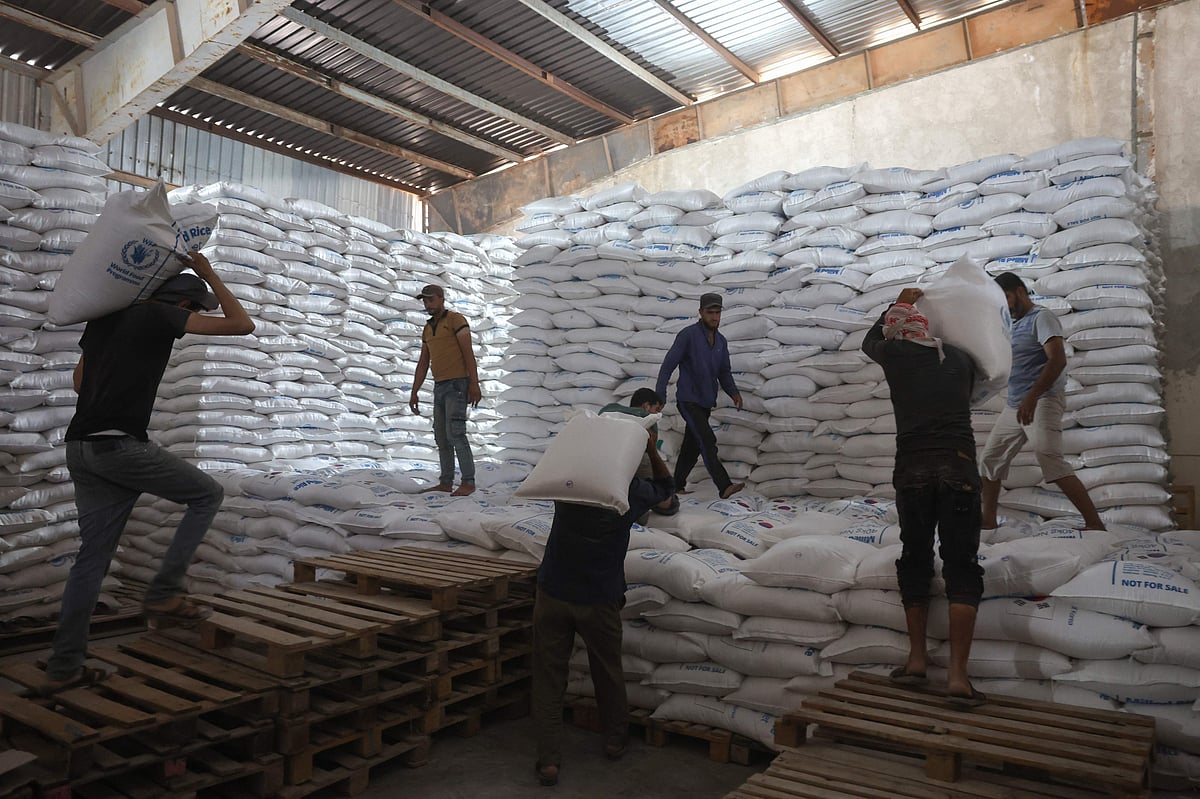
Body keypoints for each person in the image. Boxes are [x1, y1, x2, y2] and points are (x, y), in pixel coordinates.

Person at [43, 252, 254, 693]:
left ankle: (66, 666)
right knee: (206, 494)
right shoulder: (159, 316)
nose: (192, 321)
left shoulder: (103, 320)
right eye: (193, 312)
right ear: (181, 305)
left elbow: (80, 384)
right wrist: (209, 273)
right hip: (118, 446)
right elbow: (241, 324)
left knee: (91, 560)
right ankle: (165, 591)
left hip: (80, 448)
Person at [863, 287, 985, 706]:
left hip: (912, 470)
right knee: (962, 565)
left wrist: (898, 302)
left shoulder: (894, 357)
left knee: (915, 559)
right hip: (959, 466)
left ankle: (916, 661)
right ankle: (957, 677)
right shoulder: (960, 359)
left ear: (897, 334)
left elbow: (869, 341)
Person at [531, 430, 674, 787]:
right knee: (607, 673)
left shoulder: (570, 486)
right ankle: (614, 739)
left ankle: (548, 760)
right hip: (598, 599)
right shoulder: (628, 493)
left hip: (553, 593)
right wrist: (651, 449)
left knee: (549, 677)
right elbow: (666, 487)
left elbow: (557, 460)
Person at [979, 273, 1105, 531]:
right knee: (990, 459)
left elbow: (1057, 359)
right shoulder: (1011, 324)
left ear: (1019, 292)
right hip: (1016, 403)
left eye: (1006, 298)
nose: (1005, 306)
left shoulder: (1042, 317)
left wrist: (1032, 397)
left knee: (1049, 456)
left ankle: (1094, 524)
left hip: (1042, 400)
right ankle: (988, 521)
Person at [655, 293, 745, 499]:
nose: (714, 317)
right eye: (710, 312)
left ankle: (675, 486)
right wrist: (660, 393)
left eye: (718, 312)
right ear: (701, 313)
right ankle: (724, 486)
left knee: (691, 445)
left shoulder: (721, 341)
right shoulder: (688, 335)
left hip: (706, 401)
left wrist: (734, 393)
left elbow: (724, 371)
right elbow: (669, 364)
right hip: (688, 399)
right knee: (706, 439)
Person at [408, 284, 482, 497]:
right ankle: (445, 481)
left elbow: (468, 353)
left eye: (431, 300)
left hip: (457, 385)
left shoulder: (455, 320)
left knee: (456, 433)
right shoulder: (428, 328)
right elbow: (423, 362)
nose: (427, 304)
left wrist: (474, 384)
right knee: (441, 436)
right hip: (439, 386)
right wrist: (414, 391)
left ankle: (468, 481)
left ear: (441, 299)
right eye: (424, 301)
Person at [600, 388, 678, 519]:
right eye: (657, 409)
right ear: (646, 406)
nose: (657, 414)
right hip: (633, 472)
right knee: (669, 502)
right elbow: (650, 451)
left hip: (600, 471)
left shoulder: (609, 409)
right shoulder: (646, 418)